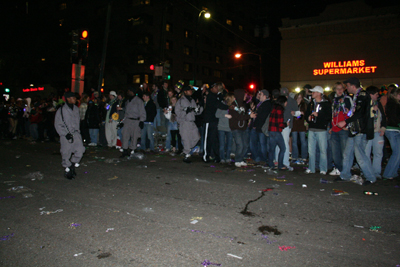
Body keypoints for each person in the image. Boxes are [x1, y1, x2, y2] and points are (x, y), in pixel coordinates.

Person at [336, 77, 376, 185]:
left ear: (353, 86)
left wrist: (346, 121)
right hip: (354, 130)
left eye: (347, 86)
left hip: (360, 130)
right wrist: (349, 116)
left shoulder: (362, 95)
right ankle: (345, 175)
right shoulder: (356, 96)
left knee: (360, 156)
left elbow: (360, 113)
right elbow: (356, 113)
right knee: (347, 153)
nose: (346, 88)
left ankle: (371, 177)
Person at [54, 92, 85, 180]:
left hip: (76, 133)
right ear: (68, 99)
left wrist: (78, 132)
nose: (75, 99)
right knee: (66, 152)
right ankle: (68, 170)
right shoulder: (61, 110)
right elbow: (58, 124)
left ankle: (72, 165)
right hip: (66, 134)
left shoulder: (76, 108)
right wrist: (64, 133)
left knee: (80, 150)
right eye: (73, 98)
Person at [304, 86, 332, 174]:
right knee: (311, 150)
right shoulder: (311, 103)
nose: (312, 94)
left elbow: (329, 116)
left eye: (314, 92)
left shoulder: (326, 104)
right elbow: (306, 114)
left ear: (319, 93)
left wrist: (319, 115)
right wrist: (308, 117)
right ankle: (311, 168)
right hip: (312, 129)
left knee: (323, 150)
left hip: (321, 130)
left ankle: (323, 169)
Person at [329, 82, 352, 176]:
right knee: (335, 152)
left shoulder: (347, 99)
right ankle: (338, 168)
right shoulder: (334, 100)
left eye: (341, 88)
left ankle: (345, 170)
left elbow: (352, 113)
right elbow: (333, 115)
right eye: (337, 88)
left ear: (344, 89)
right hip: (334, 128)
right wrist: (331, 127)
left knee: (344, 152)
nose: (339, 90)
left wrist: (348, 125)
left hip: (343, 129)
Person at [175, 86, 203, 163]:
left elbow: (196, 112)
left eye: (191, 90)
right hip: (184, 122)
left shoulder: (192, 100)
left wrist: (200, 107)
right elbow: (177, 112)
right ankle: (186, 155)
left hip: (192, 122)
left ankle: (187, 149)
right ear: (185, 91)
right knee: (186, 139)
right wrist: (185, 111)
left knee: (196, 137)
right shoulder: (180, 101)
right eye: (189, 90)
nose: (191, 91)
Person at [364, 86, 386, 179]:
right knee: (366, 153)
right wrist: (373, 110)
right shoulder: (365, 104)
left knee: (378, 153)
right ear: (371, 94)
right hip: (368, 132)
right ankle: (367, 172)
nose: (378, 96)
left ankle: (376, 172)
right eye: (376, 94)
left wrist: (383, 127)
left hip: (377, 131)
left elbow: (383, 116)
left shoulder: (378, 104)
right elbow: (364, 117)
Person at [203, 82, 228, 162]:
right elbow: (219, 105)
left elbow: (224, 95)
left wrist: (222, 90)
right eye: (216, 87)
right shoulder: (211, 96)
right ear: (212, 88)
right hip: (209, 120)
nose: (217, 89)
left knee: (214, 138)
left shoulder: (217, 96)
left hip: (215, 120)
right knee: (207, 138)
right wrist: (228, 107)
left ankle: (216, 156)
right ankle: (206, 155)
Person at [228, 90, 254, 167]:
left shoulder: (244, 105)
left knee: (245, 145)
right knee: (240, 145)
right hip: (236, 128)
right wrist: (249, 116)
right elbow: (238, 117)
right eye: (244, 95)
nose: (245, 97)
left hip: (244, 127)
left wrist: (250, 113)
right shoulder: (232, 105)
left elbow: (244, 115)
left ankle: (241, 159)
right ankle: (237, 160)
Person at [276, 88, 298, 171]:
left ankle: (285, 162)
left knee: (284, 143)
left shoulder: (292, 101)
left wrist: (295, 113)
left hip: (286, 125)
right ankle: (278, 161)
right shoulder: (279, 101)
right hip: (279, 124)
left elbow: (298, 115)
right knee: (278, 143)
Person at [120, 88, 146, 157]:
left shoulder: (138, 101)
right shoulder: (128, 101)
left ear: (132, 92)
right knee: (125, 135)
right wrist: (123, 121)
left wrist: (141, 121)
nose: (128, 92)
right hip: (128, 120)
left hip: (135, 120)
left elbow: (142, 111)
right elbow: (126, 113)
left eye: (129, 91)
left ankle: (132, 149)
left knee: (134, 136)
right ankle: (125, 150)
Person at [249, 89, 272, 164]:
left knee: (262, 144)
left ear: (265, 96)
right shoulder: (260, 103)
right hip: (257, 126)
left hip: (261, 127)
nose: (259, 96)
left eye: (261, 94)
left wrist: (256, 121)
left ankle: (263, 159)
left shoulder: (267, 104)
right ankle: (257, 157)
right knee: (256, 143)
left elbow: (263, 116)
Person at [382, 87, 400, 179]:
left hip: (394, 129)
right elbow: (393, 117)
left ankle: (392, 172)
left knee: (397, 152)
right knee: (397, 152)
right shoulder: (393, 104)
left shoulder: (393, 104)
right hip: (393, 129)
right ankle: (389, 173)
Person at [268, 96, 288, 170]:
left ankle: (271, 164)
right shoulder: (280, 109)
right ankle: (280, 164)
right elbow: (279, 123)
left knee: (271, 149)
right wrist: (286, 124)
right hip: (276, 131)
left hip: (271, 130)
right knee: (283, 148)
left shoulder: (273, 108)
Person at [215, 94, 233, 164]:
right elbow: (216, 114)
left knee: (229, 144)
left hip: (230, 128)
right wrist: (225, 115)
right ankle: (222, 158)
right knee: (222, 144)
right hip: (221, 127)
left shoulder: (233, 106)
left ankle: (228, 157)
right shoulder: (221, 105)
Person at [291, 92, 308, 164]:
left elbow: (303, 115)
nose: (298, 99)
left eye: (300, 97)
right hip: (294, 125)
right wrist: (297, 114)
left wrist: (297, 115)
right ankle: (295, 156)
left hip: (301, 125)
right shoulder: (293, 105)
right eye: (297, 97)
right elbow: (291, 114)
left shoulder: (304, 105)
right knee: (294, 141)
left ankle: (304, 157)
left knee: (303, 141)